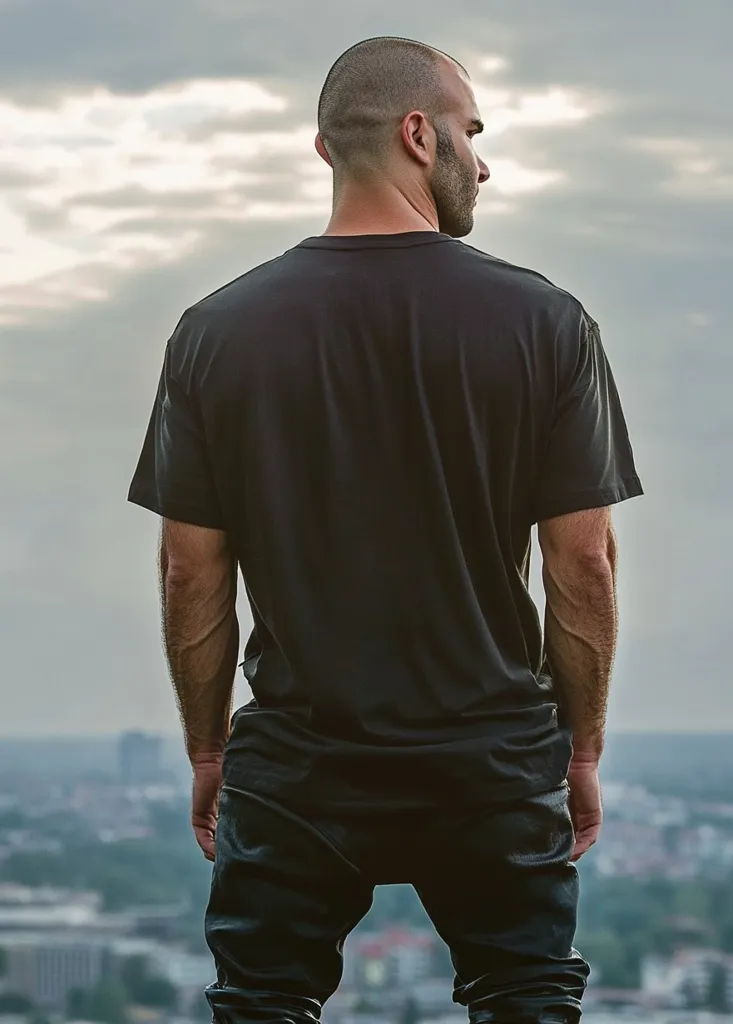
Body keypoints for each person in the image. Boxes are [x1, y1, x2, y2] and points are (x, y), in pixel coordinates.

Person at [128, 35, 643, 1024]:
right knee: (528, 1001)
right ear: (417, 134)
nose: (480, 161)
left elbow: (189, 575)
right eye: (469, 131)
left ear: (329, 151)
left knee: (260, 1005)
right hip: (488, 761)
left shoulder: (216, 332)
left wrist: (207, 752)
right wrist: (579, 752)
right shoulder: (544, 321)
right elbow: (582, 562)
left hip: (298, 764)